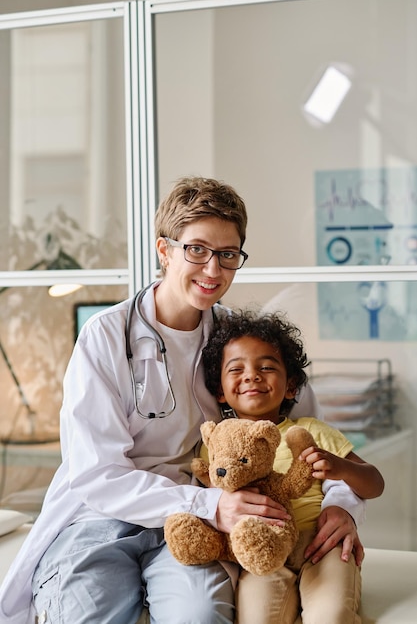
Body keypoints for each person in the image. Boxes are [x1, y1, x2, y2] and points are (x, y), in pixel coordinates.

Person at [0, 176, 365, 624]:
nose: (213, 270)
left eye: (228, 255)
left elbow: (311, 437)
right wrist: (209, 505)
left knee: (201, 615)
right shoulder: (106, 336)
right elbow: (96, 474)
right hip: (98, 520)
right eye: (197, 249)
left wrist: (340, 507)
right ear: (164, 250)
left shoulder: (240, 341)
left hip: (197, 529)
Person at [201, 309, 385, 624]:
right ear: (220, 390)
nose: (252, 375)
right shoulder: (215, 443)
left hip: (323, 545)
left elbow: (375, 483)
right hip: (262, 552)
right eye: (237, 369)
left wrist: (339, 467)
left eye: (267, 367)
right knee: (257, 618)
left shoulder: (312, 430)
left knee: (332, 615)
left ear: (291, 387)